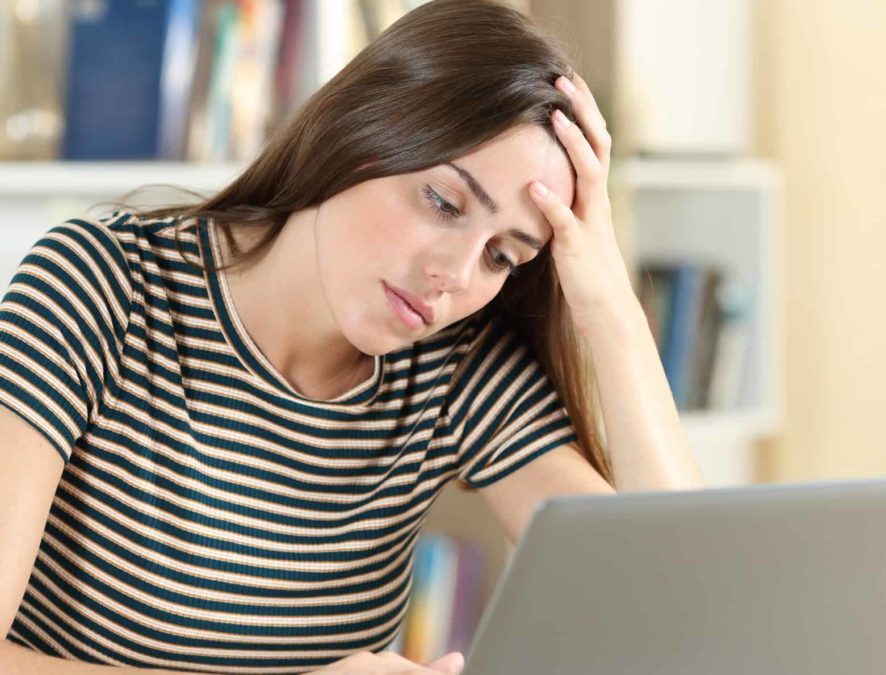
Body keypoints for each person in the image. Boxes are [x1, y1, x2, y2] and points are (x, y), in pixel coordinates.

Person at [0, 1, 703, 673]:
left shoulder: (452, 366)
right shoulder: (105, 285)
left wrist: (608, 297)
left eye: (502, 255)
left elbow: (676, 599)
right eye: (443, 201)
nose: (452, 275)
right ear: (359, 132)